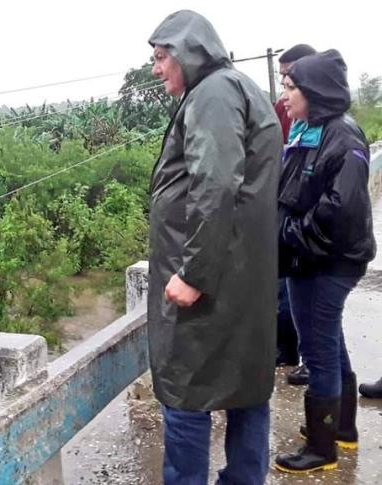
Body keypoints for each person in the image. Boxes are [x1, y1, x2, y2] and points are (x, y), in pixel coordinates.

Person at [147, 10, 280, 484]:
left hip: (211, 283)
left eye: (162, 57)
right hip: (242, 276)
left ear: (188, 51)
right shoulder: (238, 88)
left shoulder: (213, 93)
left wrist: (193, 273)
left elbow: (216, 183)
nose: (157, 68)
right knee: (245, 386)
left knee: (186, 390)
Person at [274, 49, 376, 474]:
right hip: (309, 260)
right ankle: (341, 429)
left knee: (318, 350)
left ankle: (321, 449)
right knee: (330, 341)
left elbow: (341, 208)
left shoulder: (343, 136)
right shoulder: (310, 129)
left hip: (325, 261)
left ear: (313, 91)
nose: (284, 95)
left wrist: (288, 234)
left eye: (291, 87)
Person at [274, 45, 317, 387]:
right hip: (289, 225)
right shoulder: (285, 114)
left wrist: (301, 231)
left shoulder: (332, 130)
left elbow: (336, 196)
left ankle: (334, 428)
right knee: (286, 295)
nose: (284, 87)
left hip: (309, 236)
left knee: (318, 319)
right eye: (282, 79)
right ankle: (289, 352)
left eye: (290, 79)